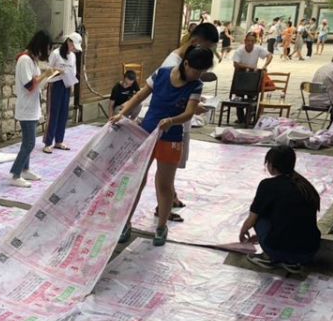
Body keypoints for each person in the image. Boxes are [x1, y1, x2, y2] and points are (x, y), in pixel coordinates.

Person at [110, 45, 214, 247]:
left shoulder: (196, 85)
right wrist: (122, 113)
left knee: (165, 185)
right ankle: (125, 223)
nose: (197, 75)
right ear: (186, 64)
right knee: (136, 181)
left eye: (201, 72)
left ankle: (161, 226)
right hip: (146, 134)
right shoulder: (162, 74)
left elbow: (189, 113)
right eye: (195, 70)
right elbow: (140, 96)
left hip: (171, 138)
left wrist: (172, 121)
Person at [159, 22, 220, 213]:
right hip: (168, 127)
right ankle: (164, 205)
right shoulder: (171, 66)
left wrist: (193, 104)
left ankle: (168, 200)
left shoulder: (188, 67)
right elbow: (154, 95)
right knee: (164, 172)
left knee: (169, 170)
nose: (197, 75)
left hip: (176, 125)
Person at [240, 146, 320, 273]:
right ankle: (292, 262)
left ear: (271, 166)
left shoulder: (267, 185)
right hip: (309, 252)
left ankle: (270, 257)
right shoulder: (305, 186)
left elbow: (252, 218)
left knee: (260, 216)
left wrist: (243, 232)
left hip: (280, 250)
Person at [10, 30, 55, 188]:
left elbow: (37, 84)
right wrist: (45, 75)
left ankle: (25, 169)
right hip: (26, 108)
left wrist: (50, 76)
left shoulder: (32, 60)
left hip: (32, 107)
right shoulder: (24, 60)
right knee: (29, 143)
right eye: (47, 48)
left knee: (28, 142)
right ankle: (15, 174)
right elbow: (29, 85)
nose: (47, 52)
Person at [43, 32, 82, 153]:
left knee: (63, 113)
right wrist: (58, 71)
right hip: (55, 84)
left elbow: (74, 71)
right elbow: (48, 70)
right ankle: (48, 143)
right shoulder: (55, 54)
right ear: (68, 42)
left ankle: (59, 141)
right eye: (73, 46)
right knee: (53, 113)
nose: (74, 49)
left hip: (67, 84)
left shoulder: (73, 56)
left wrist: (70, 79)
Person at [232, 31, 273, 124]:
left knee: (252, 97)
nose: (250, 43)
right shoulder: (239, 50)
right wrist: (249, 67)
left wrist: (265, 65)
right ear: (245, 41)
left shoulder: (258, 49)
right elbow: (236, 64)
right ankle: (240, 118)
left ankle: (249, 117)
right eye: (248, 40)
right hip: (241, 75)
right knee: (239, 97)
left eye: (252, 41)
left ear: (255, 42)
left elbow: (269, 55)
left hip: (253, 76)